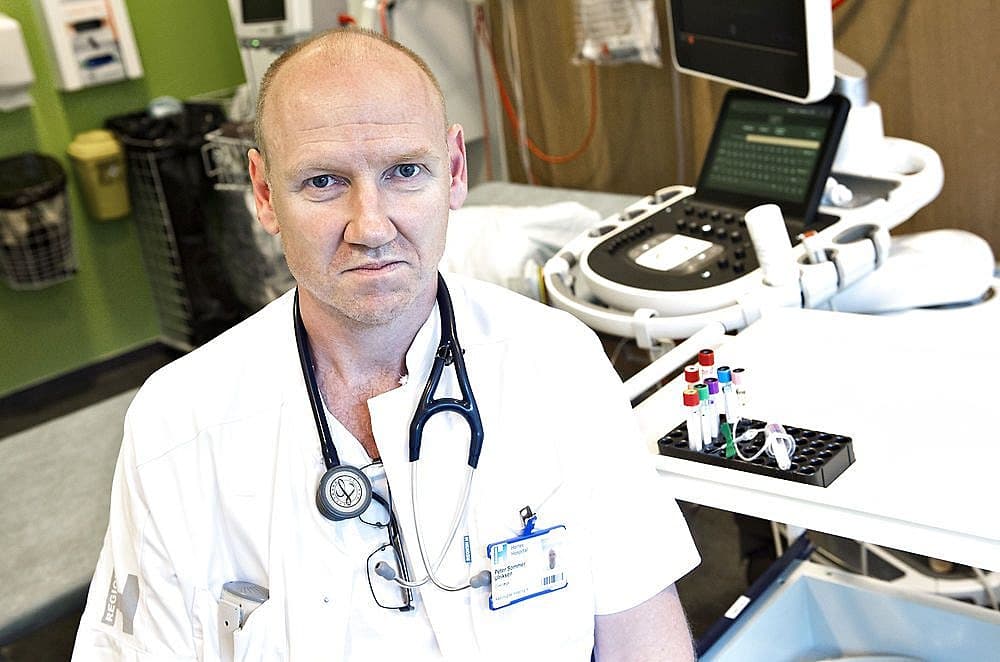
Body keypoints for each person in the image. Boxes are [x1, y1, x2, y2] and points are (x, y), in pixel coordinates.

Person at [72, 28, 700, 661]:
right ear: (264, 193)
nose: (371, 226)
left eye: (404, 172)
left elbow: (643, 638)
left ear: (454, 170)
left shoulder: (559, 364)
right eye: (323, 181)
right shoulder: (178, 424)